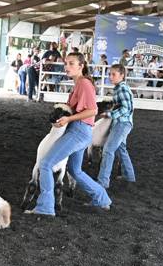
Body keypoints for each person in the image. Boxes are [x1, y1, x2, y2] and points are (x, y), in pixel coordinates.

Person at [25, 52, 111, 216]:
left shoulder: (84, 84)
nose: (67, 67)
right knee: (74, 170)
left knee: (46, 164)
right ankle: (102, 198)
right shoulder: (80, 84)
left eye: (71, 63)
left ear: (81, 66)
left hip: (78, 131)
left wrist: (69, 118)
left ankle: (45, 207)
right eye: (66, 63)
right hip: (80, 131)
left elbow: (92, 110)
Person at [97, 64, 136, 188]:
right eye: (110, 74)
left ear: (122, 75)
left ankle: (102, 182)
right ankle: (129, 176)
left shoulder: (121, 89)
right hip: (124, 123)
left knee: (108, 150)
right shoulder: (120, 88)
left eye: (113, 74)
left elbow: (126, 108)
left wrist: (109, 114)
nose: (110, 76)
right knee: (121, 149)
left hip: (122, 123)